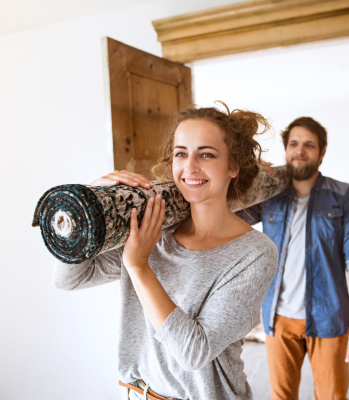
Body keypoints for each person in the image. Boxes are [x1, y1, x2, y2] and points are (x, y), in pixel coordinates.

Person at [53, 104, 278, 400]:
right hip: (138, 393)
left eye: (207, 154)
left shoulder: (255, 253)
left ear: (233, 166)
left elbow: (194, 352)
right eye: (181, 153)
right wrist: (85, 205)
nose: (191, 166)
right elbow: (69, 278)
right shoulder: (153, 231)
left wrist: (138, 266)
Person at [238, 117, 349, 400]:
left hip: (329, 316)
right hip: (278, 317)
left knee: (333, 396)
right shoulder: (269, 196)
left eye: (309, 145)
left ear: (321, 152)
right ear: (286, 150)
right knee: (282, 397)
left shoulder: (345, 196)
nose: (300, 151)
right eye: (294, 144)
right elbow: (227, 214)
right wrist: (250, 175)